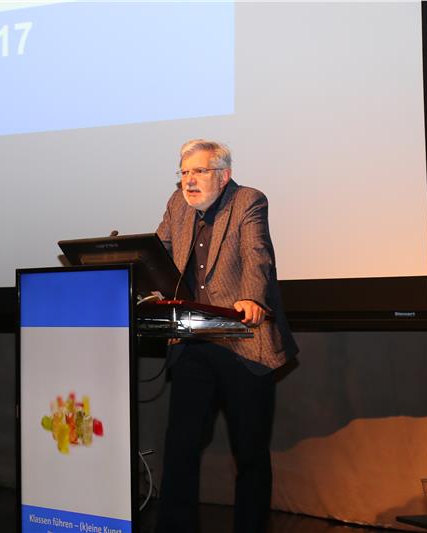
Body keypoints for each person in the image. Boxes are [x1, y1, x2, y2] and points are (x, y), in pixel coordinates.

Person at [155, 139, 299, 533]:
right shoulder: (177, 205)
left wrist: (251, 297)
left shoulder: (248, 201)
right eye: (184, 172)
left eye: (199, 172)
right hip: (193, 341)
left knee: (250, 452)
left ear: (223, 175)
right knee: (180, 447)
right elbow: (157, 254)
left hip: (242, 343)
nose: (189, 181)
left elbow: (257, 255)